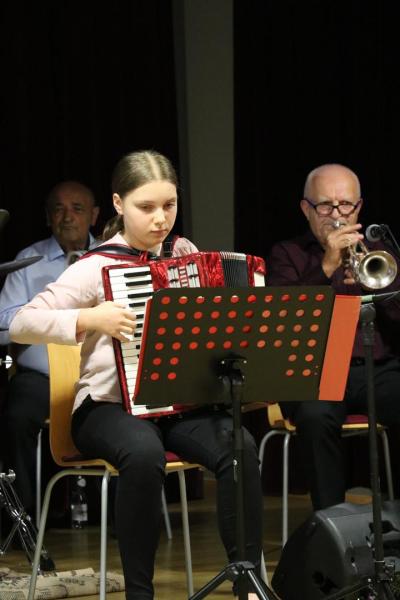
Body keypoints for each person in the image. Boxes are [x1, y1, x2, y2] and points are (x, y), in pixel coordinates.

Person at [9, 150, 263, 600]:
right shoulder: (94, 267)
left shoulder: (184, 256)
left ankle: (247, 581)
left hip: (178, 406)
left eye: (169, 205)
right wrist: (90, 319)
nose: (161, 218)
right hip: (106, 408)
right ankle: (139, 594)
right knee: (144, 454)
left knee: (239, 445)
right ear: (118, 204)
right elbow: (21, 323)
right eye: (147, 207)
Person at [266, 163, 400, 511]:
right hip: (316, 371)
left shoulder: (380, 251)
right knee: (315, 418)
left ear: (359, 207)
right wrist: (326, 265)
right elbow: (284, 320)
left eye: (346, 206)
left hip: (376, 369)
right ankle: (332, 524)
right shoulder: (287, 254)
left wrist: (378, 284)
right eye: (326, 205)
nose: (337, 215)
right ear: (306, 208)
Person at [0, 180, 99, 513]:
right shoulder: (28, 260)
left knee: (129, 414)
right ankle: (24, 520)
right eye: (58, 209)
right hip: (41, 377)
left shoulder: (108, 257)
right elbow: (3, 325)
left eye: (77, 209)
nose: (67, 217)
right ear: (47, 217)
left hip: (97, 375)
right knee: (16, 418)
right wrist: (50, 320)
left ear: (94, 215)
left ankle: (121, 518)